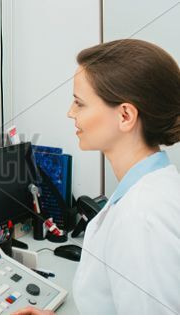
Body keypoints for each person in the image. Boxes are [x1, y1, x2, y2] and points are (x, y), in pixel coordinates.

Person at [14, 39, 180, 315]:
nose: (70, 112)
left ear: (125, 115)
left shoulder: (142, 217)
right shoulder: (148, 188)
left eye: (80, 103)